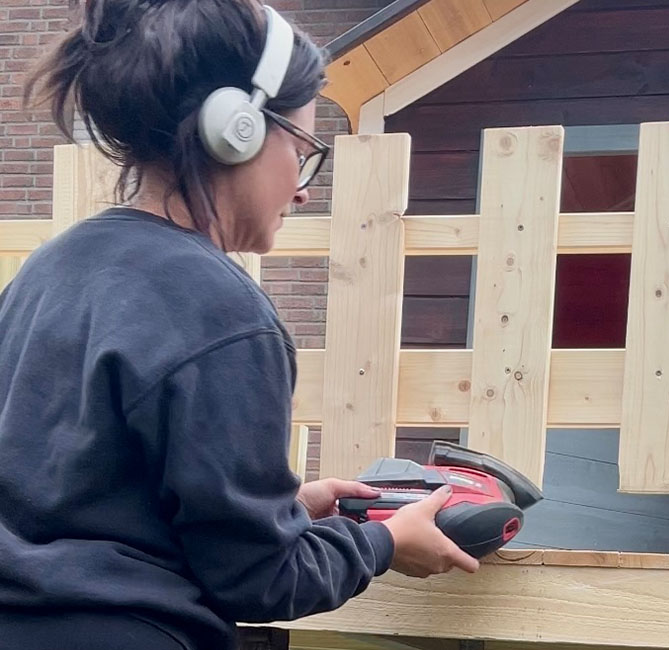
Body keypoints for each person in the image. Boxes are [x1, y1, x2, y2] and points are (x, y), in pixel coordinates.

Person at [0, 1, 479, 648]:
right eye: (306, 149)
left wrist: (278, 512)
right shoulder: (224, 313)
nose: (306, 188)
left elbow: (88, 503)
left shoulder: (46, 272)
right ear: (239, 129)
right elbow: (262, 580)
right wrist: (382, 542)